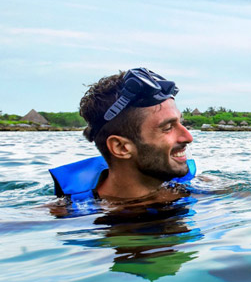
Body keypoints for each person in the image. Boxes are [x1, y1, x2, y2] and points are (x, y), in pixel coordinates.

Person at [49, 67, 196, 206]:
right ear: (121, 147)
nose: (188, 137)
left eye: (180, 122)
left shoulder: (195, 189)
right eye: (168, 128)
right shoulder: (69, 213)